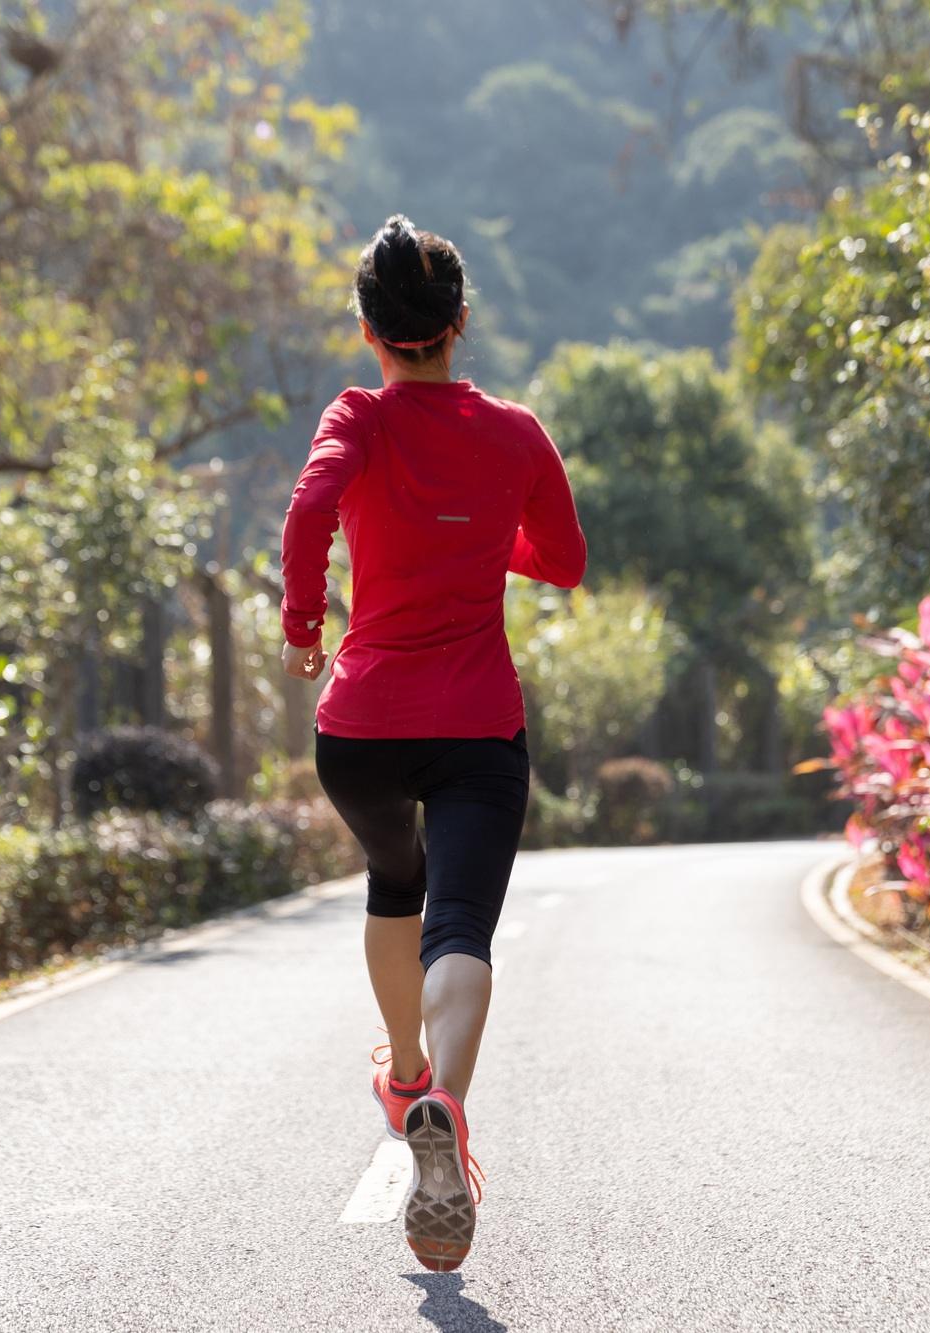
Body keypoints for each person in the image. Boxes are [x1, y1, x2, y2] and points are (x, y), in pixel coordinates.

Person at [279, 215, 587, 1272]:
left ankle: (405, 1072)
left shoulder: (357, 417)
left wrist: (302, 623)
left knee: (391, 877)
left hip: (360, 730)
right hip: (475, 727)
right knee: (458, 924)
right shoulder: (515, 434)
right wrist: (482, 529)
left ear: (370, 330)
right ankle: (444, 1103)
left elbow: (309, 508)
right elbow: (564, 561)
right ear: (459, 324)